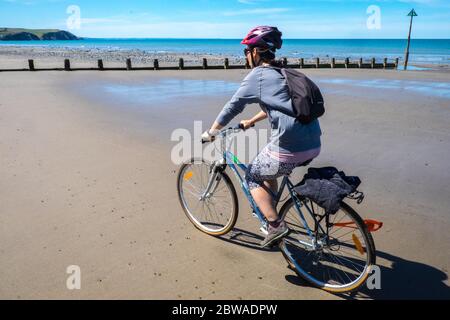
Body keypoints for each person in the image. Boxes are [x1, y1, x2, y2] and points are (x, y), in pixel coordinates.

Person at [201, 26, 322, 247]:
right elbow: (276, 106)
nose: (246, 56)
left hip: (290, 145)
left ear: (256, 52)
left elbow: (233, 106)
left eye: (246, 51)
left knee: (252, 177)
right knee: (268, 170)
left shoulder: (257, 76)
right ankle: (271, 212)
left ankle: (276, 225)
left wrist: (212, 131)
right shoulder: (282, 71)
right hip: (313, 141)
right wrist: (251, 121)